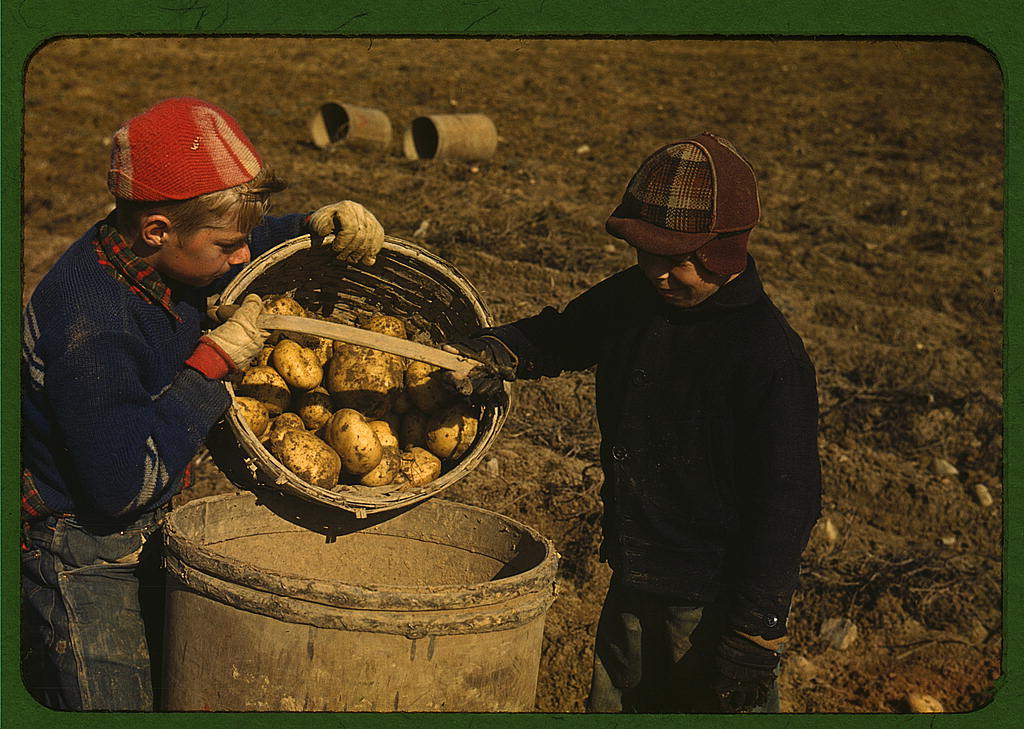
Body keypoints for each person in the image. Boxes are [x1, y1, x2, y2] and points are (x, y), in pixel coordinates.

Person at [20, 96, 385, 711]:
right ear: (156, 230)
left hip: (144, 517)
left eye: (246, 241)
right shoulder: (94, 327)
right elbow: (118, 488)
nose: (243, 259)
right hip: (79, 540)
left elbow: (226, 238)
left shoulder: (157, 250)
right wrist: (211, 367)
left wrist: (309, 227)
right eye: (230, 246)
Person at [447, 133, 822, 713]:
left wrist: (756, 635)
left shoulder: (768, 356)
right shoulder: (635, 299)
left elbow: (788, 502)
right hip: (635, 575)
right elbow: (564, 334)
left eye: (673, 260)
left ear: (724, 254)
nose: (656, 273)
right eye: (644, 254)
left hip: (713, 601)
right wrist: (500, 349)